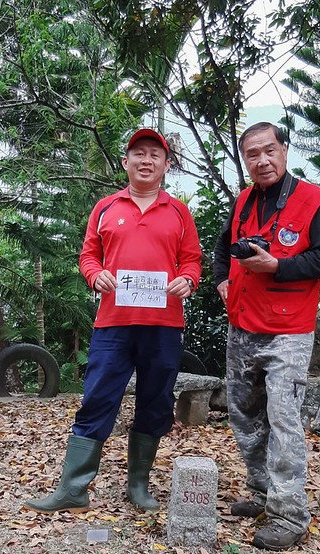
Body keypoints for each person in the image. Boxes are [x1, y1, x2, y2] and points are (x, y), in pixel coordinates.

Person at [24, 128, 202, 514]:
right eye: (138, 153)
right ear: (125, 162)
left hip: (164, 325)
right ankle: (74, 487)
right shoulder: (106, 207)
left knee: (155, 403)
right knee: (97, 399)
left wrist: (187, 280)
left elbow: (192, 261)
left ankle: (138, 484)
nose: (146, 160)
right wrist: (94, 274)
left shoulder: (178, 212)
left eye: (155, 154)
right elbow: (89, 255)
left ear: (166, 165)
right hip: (113, 324)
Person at [212, 122, 320, 549]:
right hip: (242, 323)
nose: (262, 160)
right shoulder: (245, 200)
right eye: (253, 154)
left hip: (287, 329)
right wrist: (220, 281)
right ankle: (262, 489)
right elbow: (221, 247)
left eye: (270, 150)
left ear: (284, 151)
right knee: (244, 412)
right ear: (245, 160)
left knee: (284, 419)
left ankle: (289, 514)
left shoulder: (312, 200)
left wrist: (278, 267)